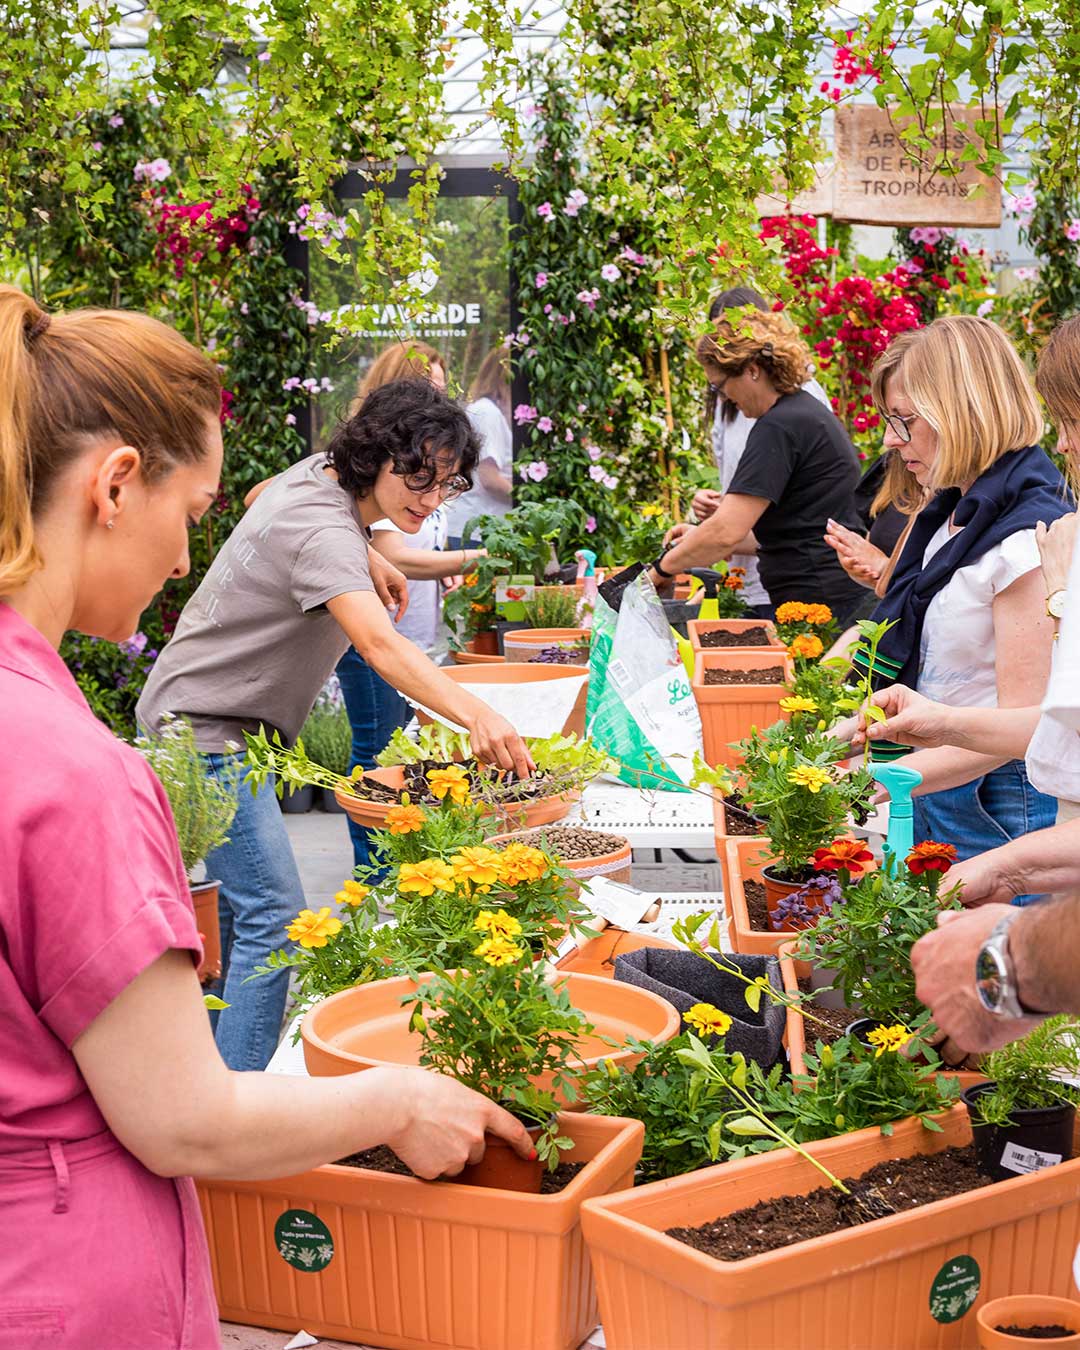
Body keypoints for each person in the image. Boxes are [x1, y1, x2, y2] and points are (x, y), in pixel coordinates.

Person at [0, 287, 533, 1348]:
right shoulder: (72, 773)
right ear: (114, 485)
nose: (188, 565)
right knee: (275, 916)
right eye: (189, 517)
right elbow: (179, 1120)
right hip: (68, 1286)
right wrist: (401, 1100)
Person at [138, 378, 532, 1071]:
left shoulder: (320, 477)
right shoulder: (323, 527)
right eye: (416, 475)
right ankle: (240, 1113)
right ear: (375, 456)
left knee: (242, 919)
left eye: (445, 483)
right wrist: (479, 716)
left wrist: (369, 552)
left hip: (210, 721)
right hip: (205, 733)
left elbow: (263, 498)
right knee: (276, 921)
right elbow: (380, 646)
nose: (430, 497)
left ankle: (218, 1081)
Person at [840, 316, 1070, 885]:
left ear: (961, 409)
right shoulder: (952, 512)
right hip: (940, 786)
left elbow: (1030, 728)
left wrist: (868, 783)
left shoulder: (1022, 538)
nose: (892, 440)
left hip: (993, 810)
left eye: (905, 421)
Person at [333, 341, 486, 869]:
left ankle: (389, 868)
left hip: (405, 630)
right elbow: (376, 638)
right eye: (429, 390)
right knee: (376, 754)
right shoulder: (368, 484)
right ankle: (373, 873)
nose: (431, 494)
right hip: (375, 637)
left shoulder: (411, 481)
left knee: (394, 752)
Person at [649, 308, 867, 623]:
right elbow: (785, 532)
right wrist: (698, 538)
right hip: (830, 596)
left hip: (822, 603)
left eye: (720, 386)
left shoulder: (780, 425)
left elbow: (725, 531)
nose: (722, 399)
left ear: (752, 370)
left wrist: (661, 569)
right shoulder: (799, 415)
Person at [690, 287, 832, 618]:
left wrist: (671, 562)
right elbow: (740, 482)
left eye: (734, 335)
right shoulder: (729, 403)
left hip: (789, 579)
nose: (726, 347)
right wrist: (712, 512)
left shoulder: (796, 405)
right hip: (742, 573)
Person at [445, 345, 513, 547]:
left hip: (483, 527)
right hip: (478, 530)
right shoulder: (487, 412)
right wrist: (530, 501)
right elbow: (490, 479)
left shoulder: (490, 411)